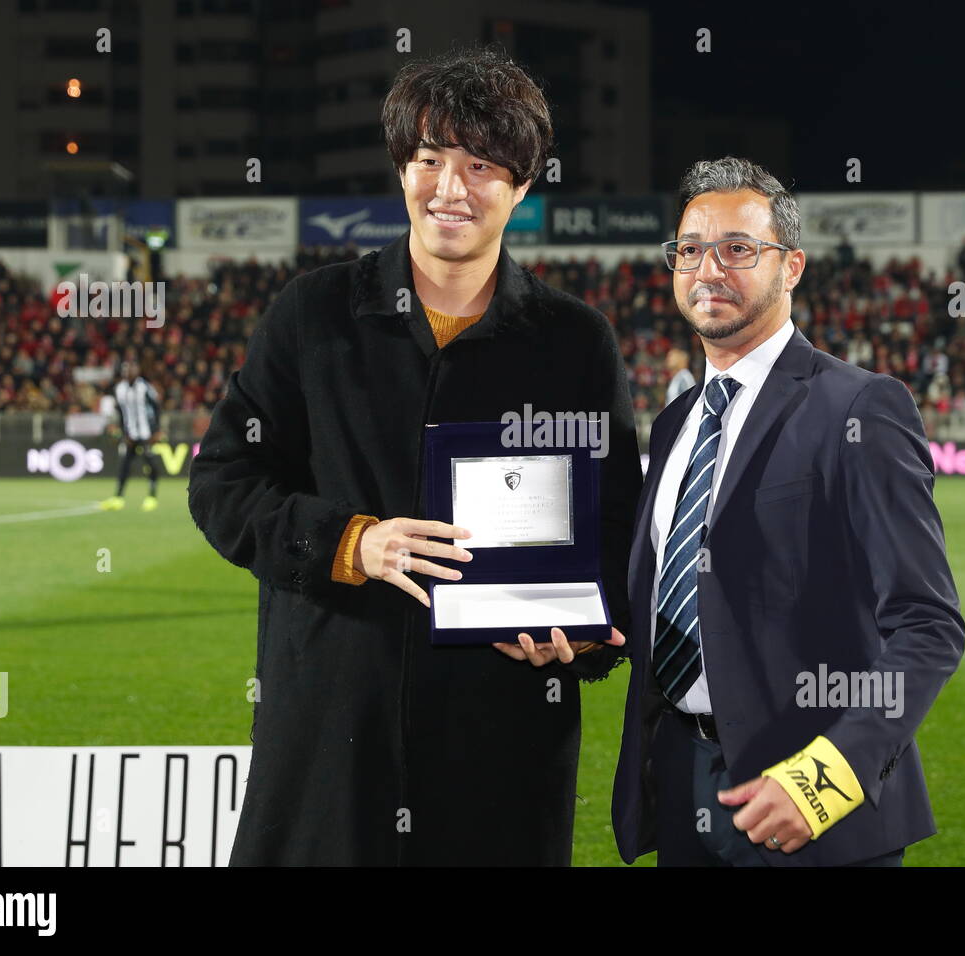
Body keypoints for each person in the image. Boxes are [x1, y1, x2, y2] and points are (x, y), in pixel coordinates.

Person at [187, 45, 641, 866]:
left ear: (524, 187)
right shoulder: (314, 314)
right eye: (429, 159)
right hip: (329, 734)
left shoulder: (574, 342)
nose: (450, 188)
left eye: (481, 165)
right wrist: (350, 542)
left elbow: (615, 528)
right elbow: (223, 482)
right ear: (402, 169)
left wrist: (578, 633)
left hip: (501, 739)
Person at [611, 157, 965, 866]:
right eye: (690, 249)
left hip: (811, 805)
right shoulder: (677, 419)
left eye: (738, 249)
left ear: (792, 266)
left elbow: (929, 625)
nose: (709, 267)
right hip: (682, 788)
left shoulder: (860, 407)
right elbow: (662, 600)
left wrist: (825, 779)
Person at [100, 359, 161, 512]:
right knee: (124, 466)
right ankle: (118, 498)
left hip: (146, 433)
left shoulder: (145, 387)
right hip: (131, 434)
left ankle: (152, 497)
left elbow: (156, 408)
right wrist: (124, 433)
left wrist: (156, 431)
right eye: (126, 370)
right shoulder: (119, 389)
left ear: (137, 371)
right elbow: (121, 412)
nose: (129, 372)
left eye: (132, 369)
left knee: (150, 464)